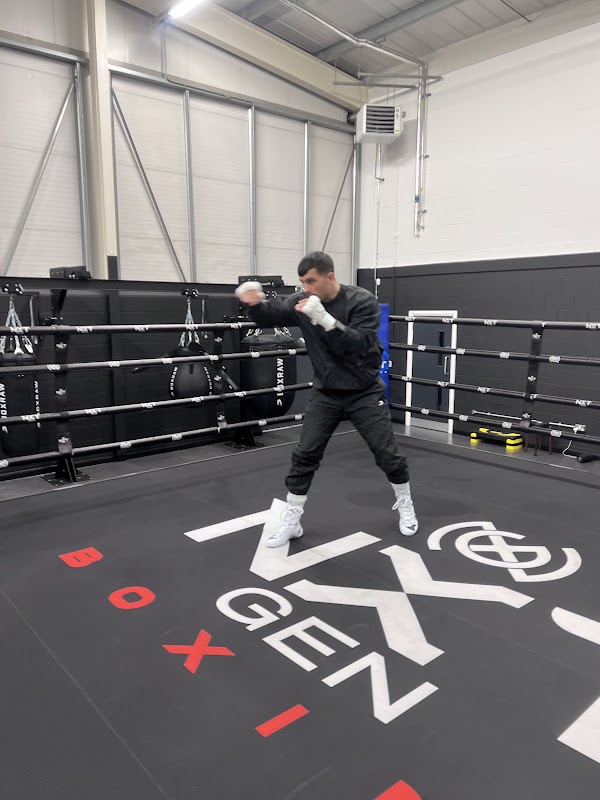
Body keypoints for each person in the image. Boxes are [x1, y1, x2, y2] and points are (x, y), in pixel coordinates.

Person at [235, 251, 418, 548]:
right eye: (302, 282)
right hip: (326, 392)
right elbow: (272, 315)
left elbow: (360, 343)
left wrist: (324, 319)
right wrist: (253, 303)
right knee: (305, 454)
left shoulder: (361, 301)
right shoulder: (303, 300)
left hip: (364, 391)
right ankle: (293, 520)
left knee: (387, 454)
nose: (306, 288)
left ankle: (406, 504)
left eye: (311, 281)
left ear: (329, 276)